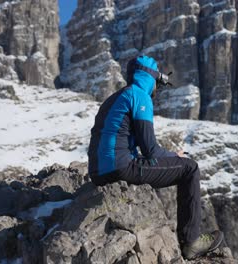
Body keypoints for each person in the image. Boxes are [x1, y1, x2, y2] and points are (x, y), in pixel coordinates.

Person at [87, 55, 223, 259]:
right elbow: (151, 151)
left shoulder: (114, 98)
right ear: (151, 79)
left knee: (164, 165)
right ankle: (191, 242)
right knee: (190, 168)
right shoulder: (139, 96)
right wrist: (175, 156)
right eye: (157, 84)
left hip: (98, 173)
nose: (157, 90)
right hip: (120, 168)